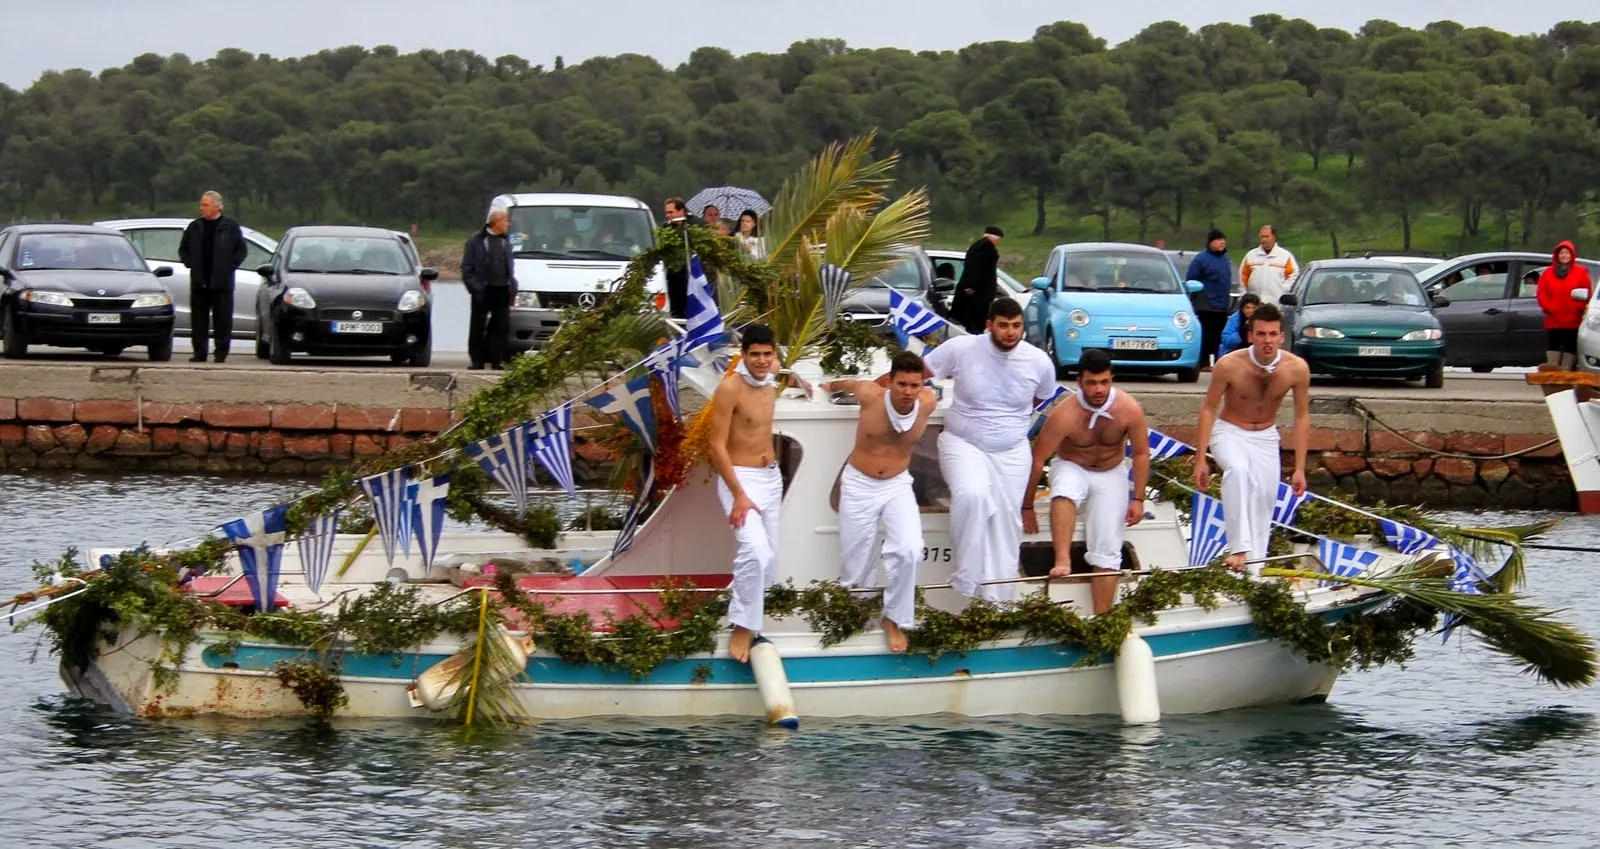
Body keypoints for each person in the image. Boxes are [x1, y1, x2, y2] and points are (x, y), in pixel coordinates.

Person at [922, 297, 1058, 602]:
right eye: (1003, 325)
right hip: (963, 442)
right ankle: (966, 579)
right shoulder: (962, 348)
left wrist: (1007, 424)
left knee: (1006, 525)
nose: (1010, 332)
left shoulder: (1039, 361)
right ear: (989, 326)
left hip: (1012, 451)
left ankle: (998, 603)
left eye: (1016, 326)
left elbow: (1040, 399)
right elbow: (916, 372)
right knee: (973, 496)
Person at [821, 352, 938, 652]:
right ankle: (860, 615)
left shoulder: (927, 403)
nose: (908, 392)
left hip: (898, 483)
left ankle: (894, 618)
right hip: (860, 482)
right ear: (889, 381)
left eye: (914, 385)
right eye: (902, 385)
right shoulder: (871, 396)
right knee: (856, 559)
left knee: (911, 549)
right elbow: (847, 383)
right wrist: (827, 385)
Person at [1021, 349, 1150, 615]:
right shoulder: (1064, 414)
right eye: (1091, 383)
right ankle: (1062, 559)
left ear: (1112, 379)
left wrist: (1138, 498)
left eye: (1104, 382)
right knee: (1065, 489)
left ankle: (1103, 616)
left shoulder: (1128, 409)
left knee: (1108, 546)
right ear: (1079, 382)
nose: (1098, 389)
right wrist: (1027, 506)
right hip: (1072, 465)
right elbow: (1038, 459)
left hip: (1112, 471)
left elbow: (1140, 453)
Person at [1191, 303, 1310, 575]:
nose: (1267, 340)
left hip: (1266, 437)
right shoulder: (1229, 365)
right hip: (1229, 431)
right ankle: (1238, 548)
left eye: (1272, 334)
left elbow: (1302, 416)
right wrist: (1200, 459)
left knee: (1264, 502)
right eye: (1261, 334)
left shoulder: (1296, 368)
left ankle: (1252, 573)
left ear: (1282, 336)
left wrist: (1300, 468)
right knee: (1238, 470)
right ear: (1250, 336)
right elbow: (1208, 408)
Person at [709, 324, 784, 663]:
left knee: (768, 558)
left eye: (768, 354)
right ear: (743, 355)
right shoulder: (730, 388)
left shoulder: (770, 375)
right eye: (755, 354)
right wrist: (738, 493)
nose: (762, 360)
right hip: (740, 478)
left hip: (771, 477)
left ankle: (755, 618)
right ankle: (741, 623)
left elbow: (782, 369)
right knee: (754, 549)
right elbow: (715, 446)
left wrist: (802, 380)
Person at [176, 190, 248, 363]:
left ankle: (221, 353)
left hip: (222, 283)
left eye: (206, 205)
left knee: (222, 321)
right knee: (199, 321)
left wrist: (230, 266)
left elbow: (241, 250)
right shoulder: (195, 227)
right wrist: (190, 262)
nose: (202, 208)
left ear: (217, 206)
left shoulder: (230, 226)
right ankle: (199, 353)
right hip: (199, 282)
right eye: (201, 205)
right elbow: (183, 249)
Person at [461, 210, 517, 371]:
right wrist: (474, 286)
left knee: (502, 326)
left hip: (502, 290)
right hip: (483, 290)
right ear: (496, 221)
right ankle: (477, 361)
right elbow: (467, 268)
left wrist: (513, 285)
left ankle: (496, 360)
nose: (508, 223)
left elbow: (510, 266)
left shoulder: (505, 241)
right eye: (506, 220)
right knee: (478, 326)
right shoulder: (476, 241)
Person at [1536, 240, 1592, 371]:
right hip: (1553, 317)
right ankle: (1552, 371)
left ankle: (1566, 372)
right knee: (1553, 345)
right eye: (1561, 253)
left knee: (1569, 346)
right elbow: (1541, 293)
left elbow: (1587, 293)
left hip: (1573, 319)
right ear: (1557, 255)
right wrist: (1548, 307)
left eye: (1567, 253)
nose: (1564, 256)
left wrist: (1578, 307)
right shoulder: (1547, 273)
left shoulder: (1581, 272)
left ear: (1572, 255)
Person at [1186, 229, 1233, 370]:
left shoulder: (1225, 259)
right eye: (1218, 240)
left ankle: (1216, 361)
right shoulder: (1201, 259)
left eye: (1223, 240)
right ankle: (1203, 361)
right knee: (1206, 333)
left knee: (1218, 335)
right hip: (1205, 304)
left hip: (1222, 304)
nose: (1222, 242)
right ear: (1210, 242)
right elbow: (1191, 280)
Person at [949, 226, 1004, 334]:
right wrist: (970, 286)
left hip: (979, 293)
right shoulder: (984, 248)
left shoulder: (978, 246)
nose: (998, 243)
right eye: (998, 240)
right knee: (975, 323)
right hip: (979, 295)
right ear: (994, 237)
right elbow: (974, 268)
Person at [1240, 225, 1299, 305]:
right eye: (1262, 237)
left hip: (1277, 304)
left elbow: (1294, 274)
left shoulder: (1285, 256)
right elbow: (1243, 277)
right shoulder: (1251, 255)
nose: (1263, 239)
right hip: (1255, 305)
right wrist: (1243, 297)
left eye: (1267, 237)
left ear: (1274, 237)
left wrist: (1284, 289)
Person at [663, 197, 692, 318]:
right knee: (676, 312)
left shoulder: (694, 226)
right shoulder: (665, 228)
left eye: (671, 212)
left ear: (681, 211)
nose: (667, 215)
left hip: (692, 276)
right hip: (674, 278)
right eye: (666, 212)